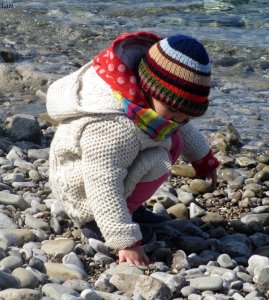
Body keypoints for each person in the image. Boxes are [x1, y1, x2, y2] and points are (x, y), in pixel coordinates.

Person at [46, 31, 219, 266]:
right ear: (150, 89)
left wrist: (203, 158)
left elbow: (182, 128)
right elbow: (102, 182)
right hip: (83, 192)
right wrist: (126, 241)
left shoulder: (149, 104)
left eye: (187, 115)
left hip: (106, 174)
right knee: (159, 160)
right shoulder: (112, 126)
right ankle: (98, 225)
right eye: (174, 111)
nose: (180, 119)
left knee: (173, 138)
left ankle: (129, 209)